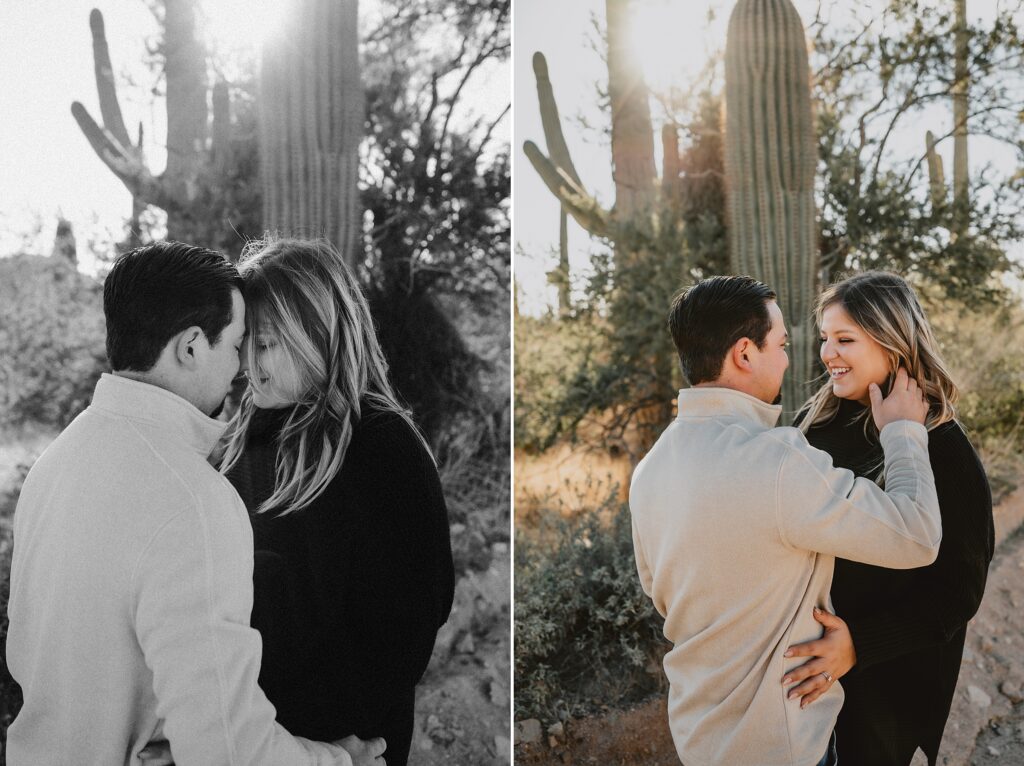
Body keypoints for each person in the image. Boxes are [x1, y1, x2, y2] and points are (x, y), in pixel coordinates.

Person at [5, 242, 384, 766]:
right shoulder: (192, 502)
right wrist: (339, 763)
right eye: (235, 344)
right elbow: (227, 749)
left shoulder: (53, 465)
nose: (241, 367)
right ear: (190, 347)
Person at [628, 275, 943, 766]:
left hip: (698, 736)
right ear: (744, 354)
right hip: (781, 743)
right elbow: (916, 535)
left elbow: (658, 590)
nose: (791, 358)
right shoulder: (778, 462)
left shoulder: (649, 469)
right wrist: (903, 432)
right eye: (781, 344)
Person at [219, 238, 455, 766]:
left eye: (270, 344)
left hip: (348, 740)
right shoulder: (247, 433)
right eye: (246, 343)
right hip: (251, 739)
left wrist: (318, 747)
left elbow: (404, 633)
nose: (250, 367)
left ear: (320, 335)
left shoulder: (384, 446)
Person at [783, 271, 994, 766]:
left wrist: (858, 645)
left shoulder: (942, 444)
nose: (828, 353)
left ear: (893, 344)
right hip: (803, 668)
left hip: (884, 683)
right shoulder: (812, 427)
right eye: (825, 339)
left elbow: (959, 591)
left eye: (845, 339)